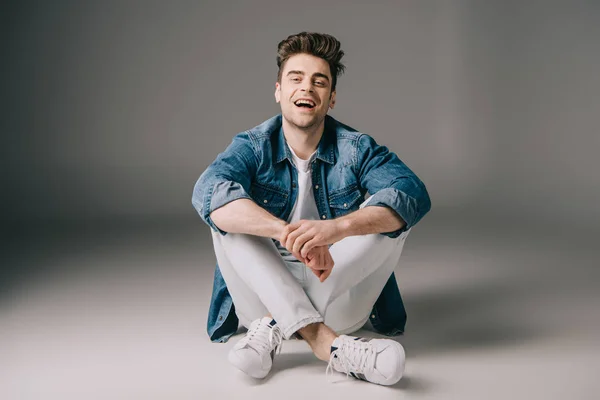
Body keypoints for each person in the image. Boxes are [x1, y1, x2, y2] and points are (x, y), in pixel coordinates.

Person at [192, 32, 431, 386]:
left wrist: (335, 230)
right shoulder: (253, 145)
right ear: (278, 91)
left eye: (319, 82)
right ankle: (327, 344)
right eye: (296, 78)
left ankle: (278, 324)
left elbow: (413, 193)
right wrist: (285, 232)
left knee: (389, 212)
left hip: (338, 295)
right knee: (229, 215)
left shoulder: (356, 148)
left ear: (331, 98)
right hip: (261, 292)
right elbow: (207, 192)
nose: (307, 88)